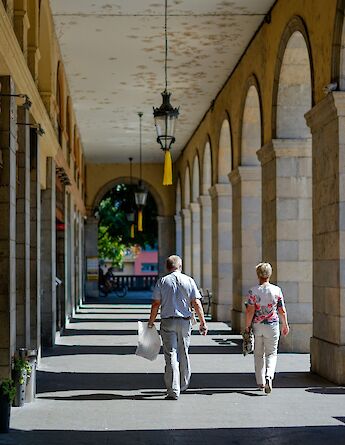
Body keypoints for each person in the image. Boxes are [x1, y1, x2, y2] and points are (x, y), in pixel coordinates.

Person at [148, 255, 208, 400]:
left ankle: (173, 389)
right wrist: (202, 322)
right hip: (185, 322)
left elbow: (156, 304)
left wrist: (151, 322)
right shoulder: (189, 280)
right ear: (180, 266)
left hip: (168, 321)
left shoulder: (162, 281)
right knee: (184, 352)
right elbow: (196, 303)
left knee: (171, 355)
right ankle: (183, 384)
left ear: (167, 267)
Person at [245, 262, 289, 394]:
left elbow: (250, 311)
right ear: (270, 274)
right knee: (272, 353)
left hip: (258, 325)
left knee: (258, 354)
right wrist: (285, 324)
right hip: (273, 325)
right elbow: (282, 310)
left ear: (258, 275)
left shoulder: (253, 291)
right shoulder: (276, 290)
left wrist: (247, 326)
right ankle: (269, 376)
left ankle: (260, 382)